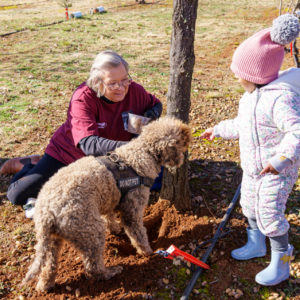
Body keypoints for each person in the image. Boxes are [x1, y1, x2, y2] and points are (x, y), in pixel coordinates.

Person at [200, 14, 300, 286]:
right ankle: (256, 244)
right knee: (249, 204)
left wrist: (281, 159)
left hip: (276, 170)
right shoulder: (250, 98)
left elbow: (296, 131)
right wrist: (219, 130)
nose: (235, 76)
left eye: (239, 72)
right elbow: (243, 125)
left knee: (270, 212)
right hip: (253, 168)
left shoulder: (281, 99)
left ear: (255, 74)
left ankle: (282, 259)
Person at [5, 50, 163, 216]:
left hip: (110, 160)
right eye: (113, 83)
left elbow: (155, 104)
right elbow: (89, 144)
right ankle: (30, 165)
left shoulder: (134, 90)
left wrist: (151, 115)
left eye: (125, 80)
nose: (121, 88)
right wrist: (132, 149)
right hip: (68, 156)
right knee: (18, 195)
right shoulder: (82, 98)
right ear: (97, 82)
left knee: (158, 178)